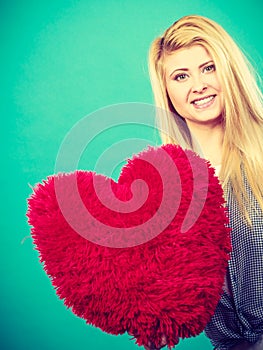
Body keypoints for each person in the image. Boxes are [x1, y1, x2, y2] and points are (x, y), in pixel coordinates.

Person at [147, 15, 263, 350]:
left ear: (229, 72)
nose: (198, 85)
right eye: (181, 76)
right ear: (167, 90)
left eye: (209, 68)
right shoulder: (163, 185)